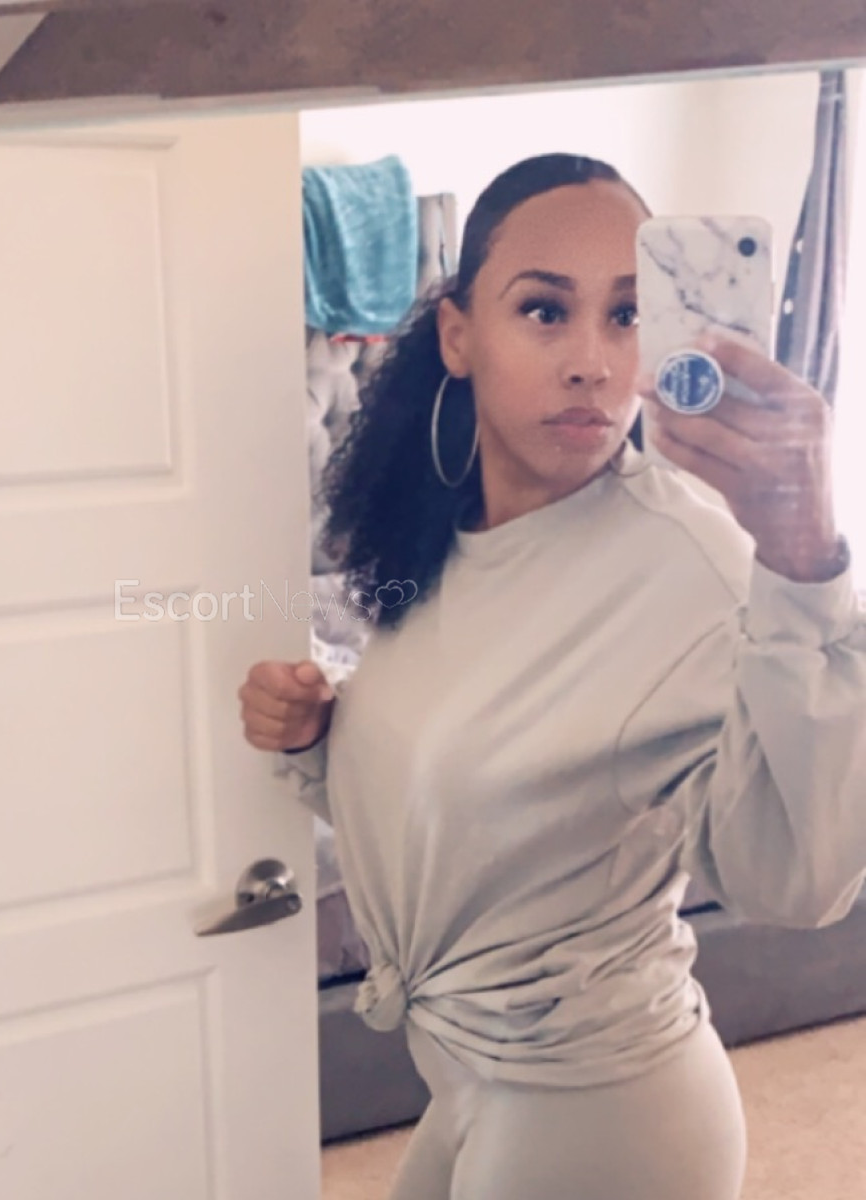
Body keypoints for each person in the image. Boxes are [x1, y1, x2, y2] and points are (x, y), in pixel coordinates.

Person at [237, 153, 866, 1200]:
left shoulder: (693, 561)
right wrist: (319, 742)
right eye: (544, 311)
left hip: (606, 1108)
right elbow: (466, 796)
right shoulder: (433, 533)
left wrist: (805, 561)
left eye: (627, 315)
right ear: (458, 335)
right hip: (468, 1082)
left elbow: (800, 881)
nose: (591, 362)